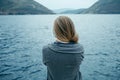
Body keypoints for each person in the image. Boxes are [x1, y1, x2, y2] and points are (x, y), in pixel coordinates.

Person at [42, 16, 84, 80]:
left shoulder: (46, 49)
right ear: (72, 29)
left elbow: (46, 63)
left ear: (55, 30)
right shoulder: (80, 49)